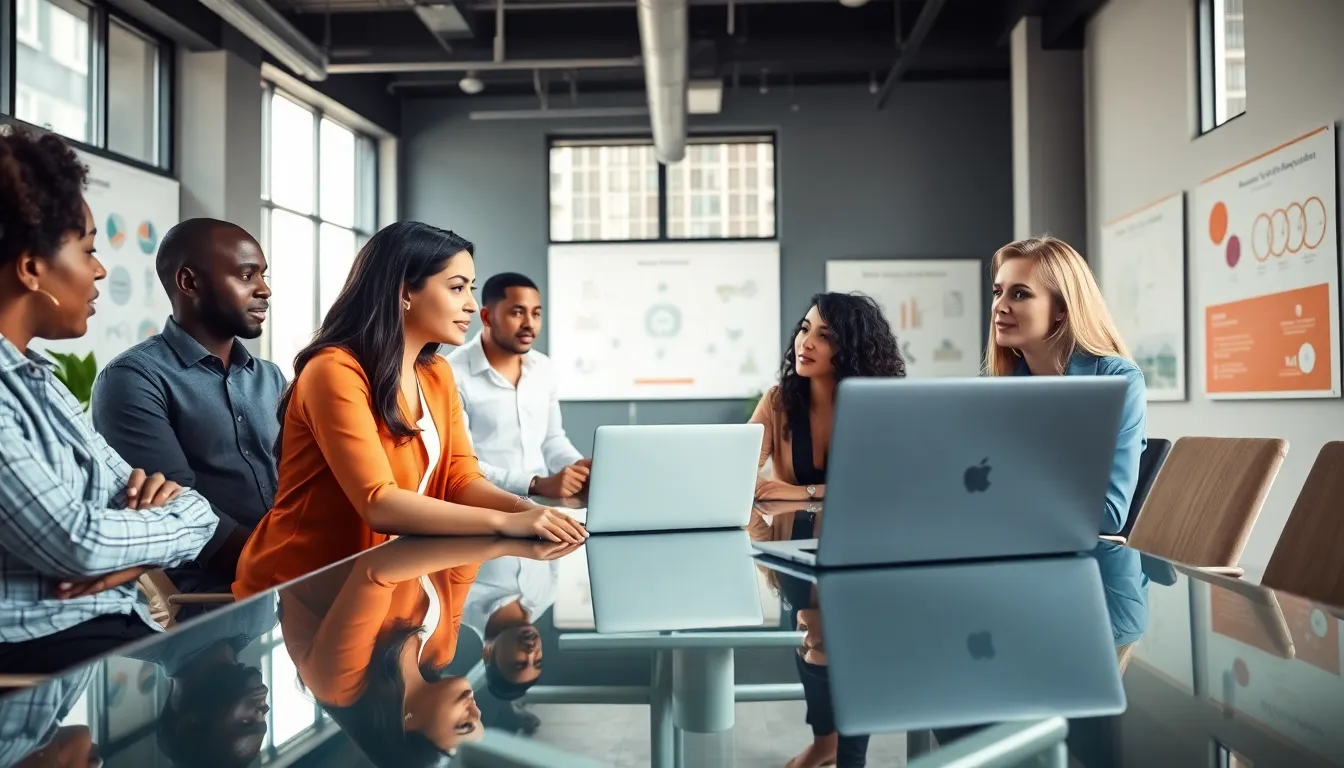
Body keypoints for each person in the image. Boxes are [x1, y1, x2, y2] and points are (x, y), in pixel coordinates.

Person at [232, 222, 586, 599]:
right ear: (404, 292)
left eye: (470, 288)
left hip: (383, 579)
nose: (470, 304)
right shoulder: (333, 370)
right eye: (457, 288)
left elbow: (460, 479)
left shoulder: (436, 373)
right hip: (301, 588)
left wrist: (529, 511)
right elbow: (379, 503)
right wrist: (508, 522)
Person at [0, 125, 218, 673]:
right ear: (31, 269)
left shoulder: (43, 384)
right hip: (47, 661)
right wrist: (138, 542)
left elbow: (199, 513)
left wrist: (123, 557)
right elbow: (78, 542)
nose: (99, 269)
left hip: (111, 641)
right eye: (88, 250)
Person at [93, 218, 285, 593]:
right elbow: (178, 507)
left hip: (293, 584)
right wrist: (285, 565)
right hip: (210, 601)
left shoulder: (271, 377)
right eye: (247, 276)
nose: (264, 289)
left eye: (263, 275)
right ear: (189, 283)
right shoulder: (133, 378)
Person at [279, 536, 576, 767]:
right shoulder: (439, 652)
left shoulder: (340, 684)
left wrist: (505, 542)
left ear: (407, 725)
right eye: (478, 719)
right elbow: (465, 566)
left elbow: (377, 568)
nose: (476, 710)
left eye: (464, 724)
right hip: (399, 499)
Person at [984, 236, 1147, 535]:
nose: (999, 306)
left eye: (1019, 294)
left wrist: (1006, 489)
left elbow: (1109, 515)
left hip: (1086, 560)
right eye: (998, 292)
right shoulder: (994, 387)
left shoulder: (1117, 381)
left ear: (1061, 309)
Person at [445, 272, 590, 498]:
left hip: (542, 504)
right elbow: (460, 463)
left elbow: (551, 440)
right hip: (483, 505)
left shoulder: (543, 367)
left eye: (536, 314)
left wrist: (579, 468)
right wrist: (535, 483)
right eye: (517, 312)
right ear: (487, 317)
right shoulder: (452, 373)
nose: (529, 324)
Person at [750, 292, 905, 501]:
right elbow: (738, 471)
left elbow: (888, 483)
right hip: (789, 523)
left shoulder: (879, 406)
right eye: (805, 329)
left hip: (863, 520)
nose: (806, 343)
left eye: (824, 336)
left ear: (853, 349)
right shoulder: (777, 401)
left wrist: (805, 492)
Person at [460, 547, 559, 705]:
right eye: (537, 661)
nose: (531, 652)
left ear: (488, 654)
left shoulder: (458, 602)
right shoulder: (548, 596)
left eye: (520, 663)